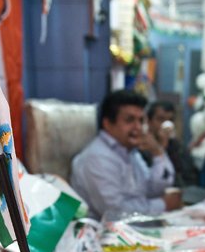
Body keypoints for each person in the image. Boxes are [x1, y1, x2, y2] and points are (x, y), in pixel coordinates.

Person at [70, 89, 181, 219]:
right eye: (130, 120)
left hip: (135, 228)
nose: (138, 127)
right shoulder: (97, 158)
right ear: (108, 124)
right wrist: (163, 205)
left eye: (141, 121)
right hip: (103, 234)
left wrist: (157, 152)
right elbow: (114, 213)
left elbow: (152, 190)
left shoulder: (130, 153)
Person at [141, 100, 199, 187]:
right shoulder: (141, 147)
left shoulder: (178, 148)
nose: (166, 125)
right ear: (149, 121)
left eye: (170, 120)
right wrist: (161, 146)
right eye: (160, 119)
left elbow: (188, 176)